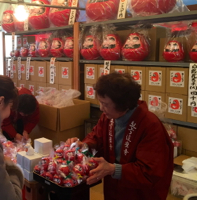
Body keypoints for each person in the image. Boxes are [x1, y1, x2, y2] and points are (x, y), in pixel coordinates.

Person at [66, 72, 173, 200]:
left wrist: (113, 169)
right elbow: (96, 136)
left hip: (139, 193)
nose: (101, 108)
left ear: (123, 104)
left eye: (105, 104)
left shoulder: (150, 126)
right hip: (114, 187)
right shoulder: (108, 117)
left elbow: (150, 171)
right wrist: (84, 145)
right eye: (100, 102)